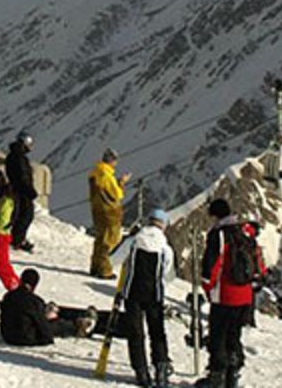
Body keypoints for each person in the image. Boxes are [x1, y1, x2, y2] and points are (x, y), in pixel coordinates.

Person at [196, 199, 265, 388]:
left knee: (218, 335)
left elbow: (213, 264)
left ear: (215, 215)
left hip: (225, 295)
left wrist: (207, 287)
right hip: (245, 295)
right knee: (234, 334)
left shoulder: (218, 235)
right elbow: (258, 260)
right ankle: (232, 375)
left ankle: (216, 377)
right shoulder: (246, 231)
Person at [119, 208, 175, 388]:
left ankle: (141, 371)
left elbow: (113, 258)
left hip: (132, 292)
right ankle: (161, 369)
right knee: (157, 332)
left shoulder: (134, 240)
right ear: (163, 226)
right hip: (154, 294)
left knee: (135, 332)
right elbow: (169, 275)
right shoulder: (165, 248)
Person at [0, 268, 97, 346]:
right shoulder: (34, 301)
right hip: (26, 338)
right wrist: (48, 338)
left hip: (8, 337)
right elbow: (43, 326)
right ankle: (79, 327)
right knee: (57, 325)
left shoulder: (7, 296)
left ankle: (55, 316)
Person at [89, 148, 129, 279]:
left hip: (97, 210)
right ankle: (104, 269)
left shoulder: (95, 172)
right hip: (109, 212)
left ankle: (95, 266)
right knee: (110, 241)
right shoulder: (107, 175)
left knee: (100, 239)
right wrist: (121, 183)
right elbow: (116, 194)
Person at [5, 131, 37, 252]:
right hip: (22, 190)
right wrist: (29, 190)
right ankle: (18, 239)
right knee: (26, 215)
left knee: (20, 214)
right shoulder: (19, 157)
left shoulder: (14, 155)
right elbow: (22, 176)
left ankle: (18, 238)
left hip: (17, 189)